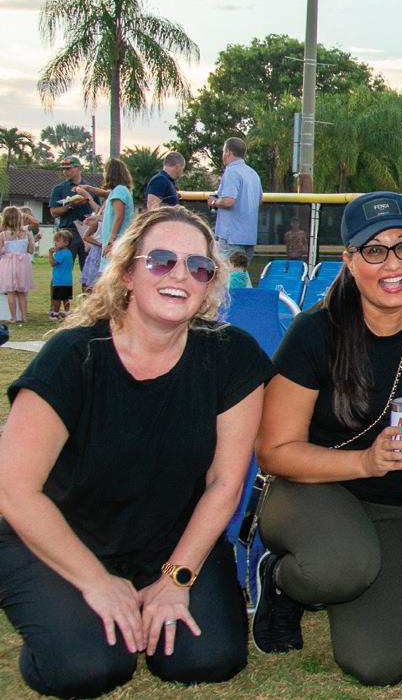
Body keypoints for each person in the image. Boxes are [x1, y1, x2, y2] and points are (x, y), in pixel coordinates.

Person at [0, 206, 269, 698]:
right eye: (161, 261)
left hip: (167, 540)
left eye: (198, 266)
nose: (180, 275)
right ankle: (57, 616)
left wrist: (176, 579)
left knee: (207, 659)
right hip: (61, 538)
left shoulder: (233, 356)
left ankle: (141, 598)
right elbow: (15, 490)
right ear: (126, 273)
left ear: (210, 284)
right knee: (88, 667)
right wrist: (96, 582)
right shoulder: (73, 357)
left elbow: (225, 483)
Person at [252, 191, 402, 685]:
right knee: (341, 566)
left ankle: (343, 574)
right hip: (310, 488)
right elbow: (274, 452)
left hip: (397, 503)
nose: (393, 263)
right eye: (374, 250)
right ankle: (281, 579)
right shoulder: (314, 332)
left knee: (378, 664)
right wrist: (366, 462)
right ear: (350, 260)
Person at [48, 155, 106, 272]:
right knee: (62, 268)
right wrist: (71, 205)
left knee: (89, 269)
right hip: (68, 232)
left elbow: (99, 211)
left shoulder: (90, 188)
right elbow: (54, 212)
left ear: (78, 168)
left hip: (88, 231)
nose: (65, 172)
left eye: (68, 168)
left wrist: (88, 199)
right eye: (63, 169)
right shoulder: (59, 188)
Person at [208, 137, 262, 261]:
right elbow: (259, 199)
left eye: (223, 151)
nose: (223, 154)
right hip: (249, 238)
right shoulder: (253, 173)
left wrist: (214, 202)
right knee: (241, 273)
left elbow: (228, 201)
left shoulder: (232, 172)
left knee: (227, 272)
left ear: (228, 152)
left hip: (231, 238)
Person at [98, 159, 138, 270]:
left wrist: (111, 241)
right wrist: (97, 219)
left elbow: (119, 216)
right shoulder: (120, 190)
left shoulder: (119, 191)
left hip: (116, 242)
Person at [1, 206, 35, 323]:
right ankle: (24, 317)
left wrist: (6, 251)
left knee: (10, 292)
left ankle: (13, 317)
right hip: (23, 264)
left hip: (8, 264)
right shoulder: (26, 234)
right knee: (22, 293)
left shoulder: (3, 235)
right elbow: (31, 250)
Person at [49, 229, 74, 320]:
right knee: (66, 298)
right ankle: (67, 312)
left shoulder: (61, 253)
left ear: (66, 242)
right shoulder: (69, 253)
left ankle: (55, 313)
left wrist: (50, 254)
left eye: (58, 241)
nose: (55, 243)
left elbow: (53, 263)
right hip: (68, 280)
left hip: (59, 280)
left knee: (57, 298)